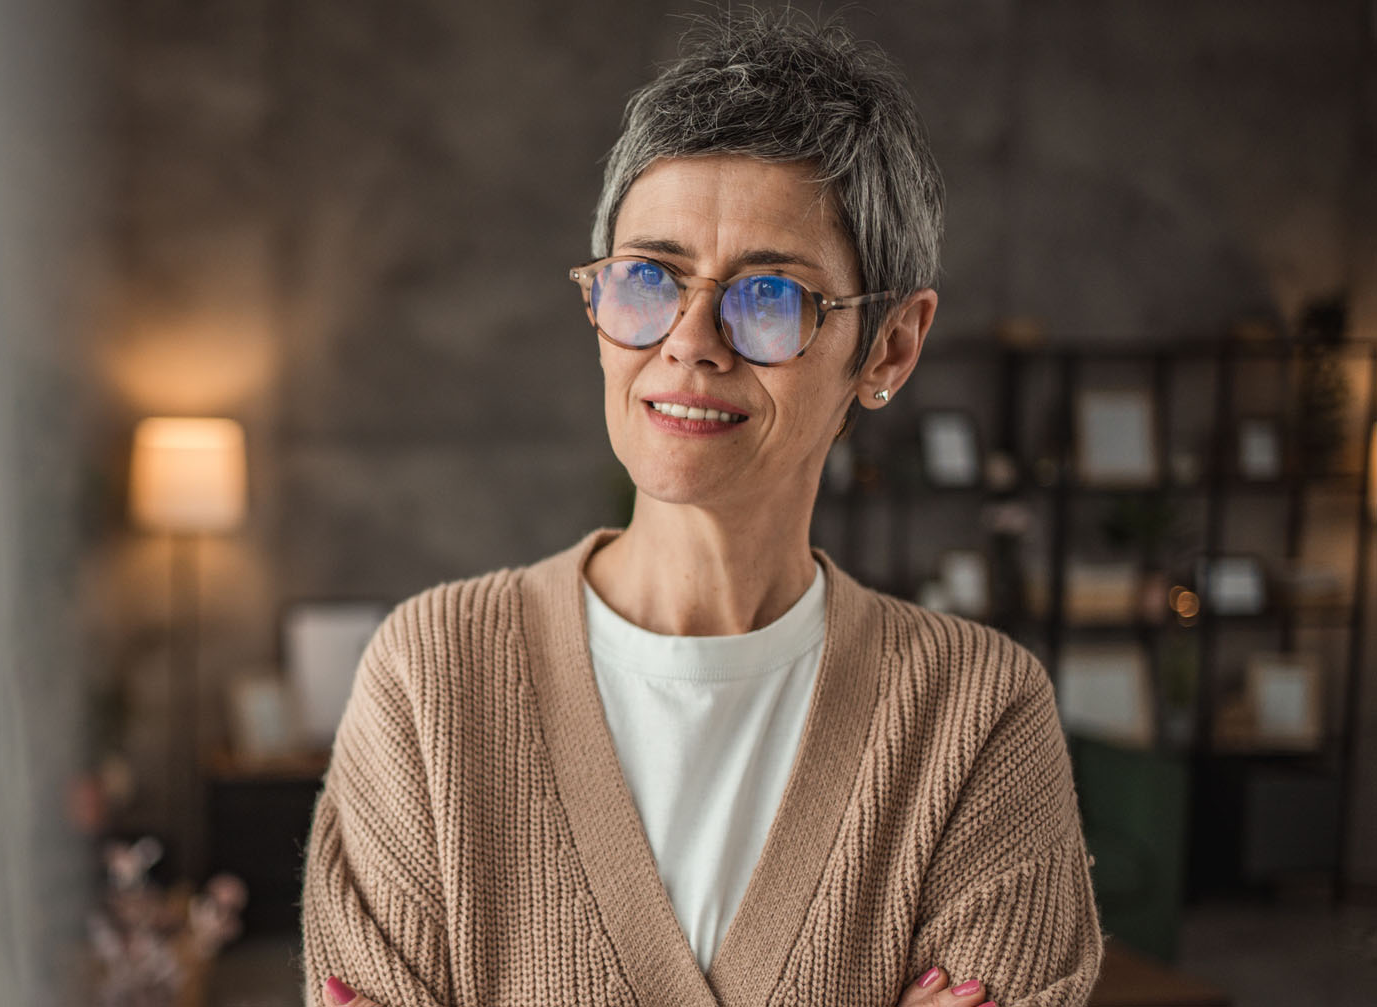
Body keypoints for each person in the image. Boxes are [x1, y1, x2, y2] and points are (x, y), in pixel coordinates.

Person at [301, 9, 1103, 1007]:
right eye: (649, 277)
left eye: (767, 294)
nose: (688, 341)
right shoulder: (431, 678)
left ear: (889, 345)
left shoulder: (975, 716)